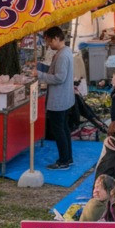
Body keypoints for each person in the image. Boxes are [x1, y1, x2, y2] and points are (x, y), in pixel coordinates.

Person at [38, 26, 75, 170]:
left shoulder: (62, 55)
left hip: (59, 100)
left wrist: (40, 75)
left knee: (59, 130)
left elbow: (60, 77)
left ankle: (63, 160)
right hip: (65, 99)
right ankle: (68, 157)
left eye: (48, 41)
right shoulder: (65, 52)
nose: (48, 45)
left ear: (56, 38)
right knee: (64, 129)